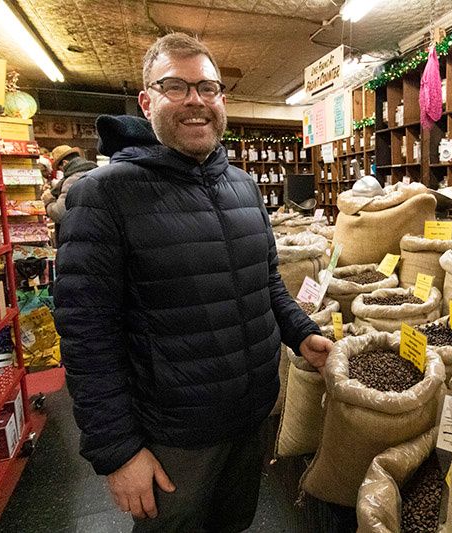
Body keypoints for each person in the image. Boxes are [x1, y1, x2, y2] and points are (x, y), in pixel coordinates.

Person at [53, 32, 333, 532]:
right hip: (174, 436)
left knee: (233, 524)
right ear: (147, 101)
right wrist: (118, 451)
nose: (196, 102)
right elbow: (86, 335)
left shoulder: (244, 187)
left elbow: (265, 281)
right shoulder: (104, 195)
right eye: (176, 87)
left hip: (249, 416)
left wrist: (301, 332)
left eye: (208, 87)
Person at [41, 145, 97, 224]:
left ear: (65, 163)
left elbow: (59, 214)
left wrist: (49, 201)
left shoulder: (72, 180)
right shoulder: (93, 173)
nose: (62, 173)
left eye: (60, 169)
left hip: (79, 230)